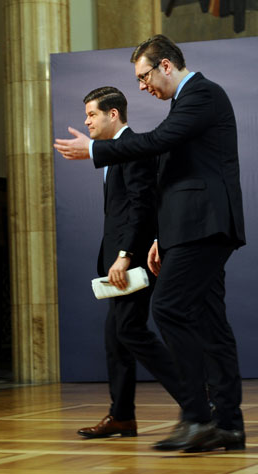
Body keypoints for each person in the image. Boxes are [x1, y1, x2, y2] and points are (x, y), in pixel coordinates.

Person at [55, 35, 246, 453]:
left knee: (168, 308)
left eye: (144, 77)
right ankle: (229, 425)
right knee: (211, 324)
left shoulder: (202, 93)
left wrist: (96, 149)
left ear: (165, 66)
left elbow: (158, 142)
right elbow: (173, 175)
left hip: (205, 224)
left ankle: (197, 417)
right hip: (191, 227)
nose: (142, 86)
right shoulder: (186, 102)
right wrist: (162, 235)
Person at [74, 86, 184, 440]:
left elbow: (141, 208)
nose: (87, 121)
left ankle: (195, 397)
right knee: (116, 338)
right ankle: (121, 417)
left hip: (132, 261)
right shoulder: (114, 153)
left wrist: (125, 256)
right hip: (119, 261)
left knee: (129, 331)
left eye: (92, 114)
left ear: (113, 114)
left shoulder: (133, 149)